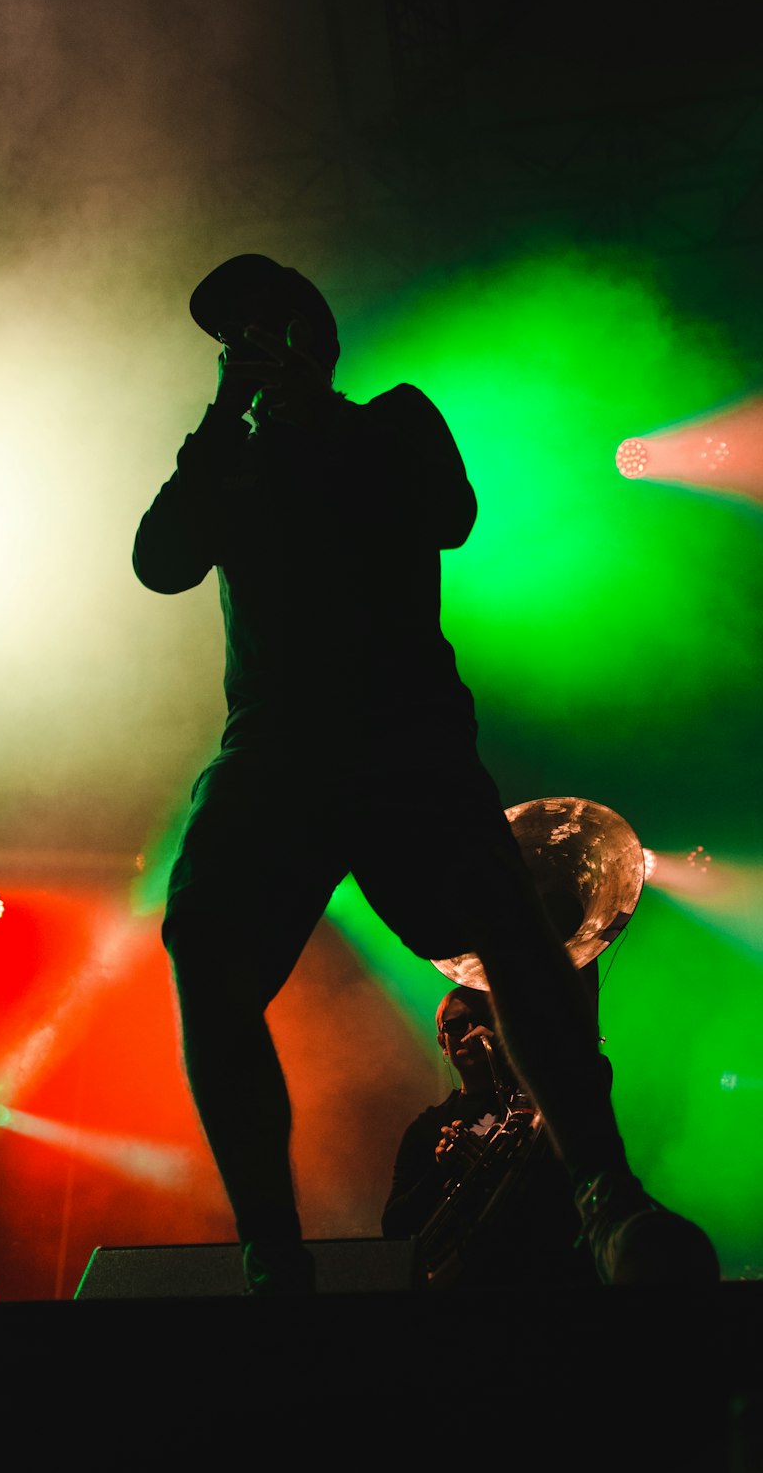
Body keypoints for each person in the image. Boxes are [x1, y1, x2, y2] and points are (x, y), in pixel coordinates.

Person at [132, 252, 720, 1295]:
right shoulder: (227, 458)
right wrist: (222, 422)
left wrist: (308, 417)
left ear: (305, 339)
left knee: (512, 935)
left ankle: (606, 1199)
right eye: (229, 340)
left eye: (259, 330)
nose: (240, 351)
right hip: (273, 745)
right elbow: (160, 558)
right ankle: (272, 1249)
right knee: (203, 948)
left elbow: (450, 513)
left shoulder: (389, 420)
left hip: (401, 733)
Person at [383, 984, 604, 1289]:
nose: (472, 1031)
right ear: (443, 1043)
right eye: (457, 1025)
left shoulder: (539, 1101)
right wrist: (442, 1170)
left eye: (484, 1019)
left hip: (545, 1272)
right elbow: (393, 1228)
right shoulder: (425, 1127)